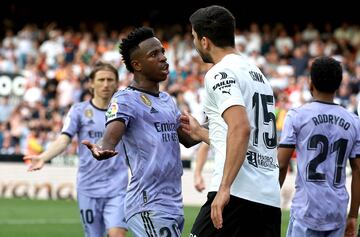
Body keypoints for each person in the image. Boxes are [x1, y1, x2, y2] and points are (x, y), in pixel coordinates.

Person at [82, 26, 199, 237]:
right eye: (154, 54)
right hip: (147, 203)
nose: (163, 58)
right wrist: (103, 148)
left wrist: (223, 121)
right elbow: (111, 136)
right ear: (137, 65)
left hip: (172, 202)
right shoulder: (125, 99)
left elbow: (189, 139)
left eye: (162, 51)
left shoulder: (166, 100)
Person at [182, 5, 281, 236]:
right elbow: (244, 136)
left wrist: (224, 188)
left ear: (205, 41)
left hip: (237, 194)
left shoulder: (219, 73)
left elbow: (241, 128)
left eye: (195, 38)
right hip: (267, 197)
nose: (195, 45)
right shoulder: (258, 74)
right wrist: (200, 133)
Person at [24, 62, 128, 237]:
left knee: (117, 234)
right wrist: (43, 157)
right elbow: (64, 139)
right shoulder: (79, 111)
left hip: (117, 187)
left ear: (117, 84)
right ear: (91, 84)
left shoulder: (124, 111)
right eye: (101, 79)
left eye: (110, 80)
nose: (105, 84)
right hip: (88, 186)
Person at [278, 56, 360, 237]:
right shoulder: (354, 121)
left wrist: (269, 200)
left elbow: (282, 164)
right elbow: (358, 170)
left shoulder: (297, 116)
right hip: (337, 212)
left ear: (310, 82)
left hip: (306, 210)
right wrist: (353, 215)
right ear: (339, 85)